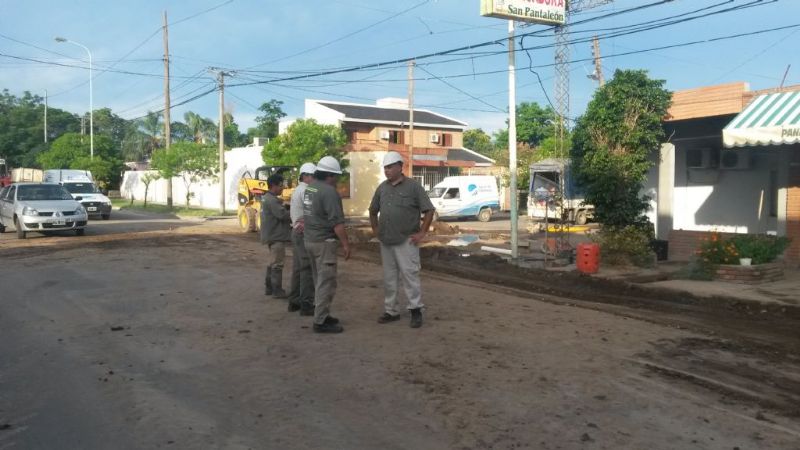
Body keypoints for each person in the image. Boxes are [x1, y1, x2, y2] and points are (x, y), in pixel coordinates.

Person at [369, 151, 435, 329]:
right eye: (385, 168)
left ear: (400, 166)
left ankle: (415, 310)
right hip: (386, 241)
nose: (387, 171)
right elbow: (373, 210)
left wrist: (422, 232)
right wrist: (376, 230)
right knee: (389, 278)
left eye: (390, 167)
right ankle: (391, 311)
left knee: (410, 276)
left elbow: (429, 210)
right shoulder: (382, 188)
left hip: (406, 240)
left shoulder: (413, 187)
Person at [303, 156, 351, 333]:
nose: (336, 180)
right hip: (324, 242)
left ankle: (322, 313)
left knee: (319, 281)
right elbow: (337, 223)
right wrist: (346, 244)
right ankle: (320, 321)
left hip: (310, 240)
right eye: (336, 176)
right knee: (326, 283)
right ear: (329, 175)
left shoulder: (311, 188)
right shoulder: (329, 192)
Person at [286, 162, 317, 315]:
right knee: (307, 269)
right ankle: (306, 304)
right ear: (305, 176)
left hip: (296, 231)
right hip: (303, 232)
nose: (314, 179)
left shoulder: (298, 189)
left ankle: (294, 301)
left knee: (298, 268)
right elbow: (312, 213)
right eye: (312, 176)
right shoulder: (307, 190)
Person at [261, 173, 292, 299]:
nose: (282, 188)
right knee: (277, 264)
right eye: (280, 185)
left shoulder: (267, 198)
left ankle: (269, 288)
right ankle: (277, 290)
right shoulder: (272, 200)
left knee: (272, 262)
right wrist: (294, 211)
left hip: (271, 235)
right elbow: (282, 215)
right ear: (273, 185)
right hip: (276, 236)